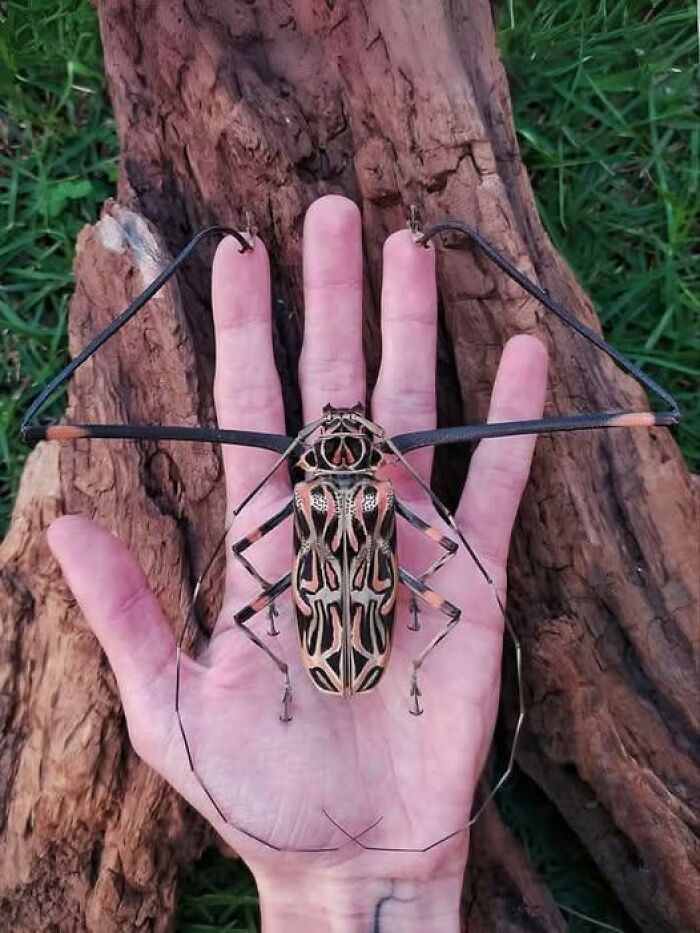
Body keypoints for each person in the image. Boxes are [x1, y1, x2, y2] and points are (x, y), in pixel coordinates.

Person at [47, 194, 547, 931]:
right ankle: (341, 672)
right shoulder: (386, 500)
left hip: (321, 650)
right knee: (440, 601)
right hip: (364, 646)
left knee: (278, 596)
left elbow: (254, 548)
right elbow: (437, 550)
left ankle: (293, 673)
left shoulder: (308, 504)